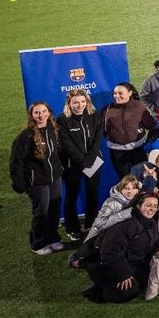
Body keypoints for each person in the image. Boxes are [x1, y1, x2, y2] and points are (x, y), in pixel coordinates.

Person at [81, 192, 159, 303]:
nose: (152, 209)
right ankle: (96, 294)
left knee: (148, 280)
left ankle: (106, 284)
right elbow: (110, 252)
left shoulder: (151, 223)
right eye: (148, 205)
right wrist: (123, 274)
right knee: (129, 291)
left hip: (131, 263)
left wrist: (157, 250)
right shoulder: (127, 224)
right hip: (107, 266)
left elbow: (150, 242)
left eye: (155, 206)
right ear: (138, 205)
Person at [10, 101, 65, 255]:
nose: (41, 115)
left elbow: (57, 154)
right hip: (37, 181)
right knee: (41, 211)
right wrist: (18, 183)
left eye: (44, 112)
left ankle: (53, 238)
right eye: (37, 113)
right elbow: (16, 161)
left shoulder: (53, 129)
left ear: (49, 113)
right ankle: (38, 243)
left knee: (54, 209)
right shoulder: (26, 135)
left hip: (55, 178)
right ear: (32, 115)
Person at [56, 88, 103, 241]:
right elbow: (66, 144)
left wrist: (90, 159)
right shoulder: (62, 119)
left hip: (93, 161)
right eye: (75, 102)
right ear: (69, 103)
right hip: (72, 165)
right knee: (71, 196)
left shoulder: (94, 115)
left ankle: (92, 222)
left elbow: (98, 137)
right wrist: (82, 161)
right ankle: (72, 227)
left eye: (83, 101)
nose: (80, 105)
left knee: (93, 192)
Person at [102, 82, 156, 177]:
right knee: (125, 180)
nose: (116, 96)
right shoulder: (107, 109)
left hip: (137, 150)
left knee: (142, 177)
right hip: (117, 152)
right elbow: (102, 129)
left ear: (130, 93)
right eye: (115, 93)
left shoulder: (139, 106)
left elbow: (150, 125)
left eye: (120, 93)